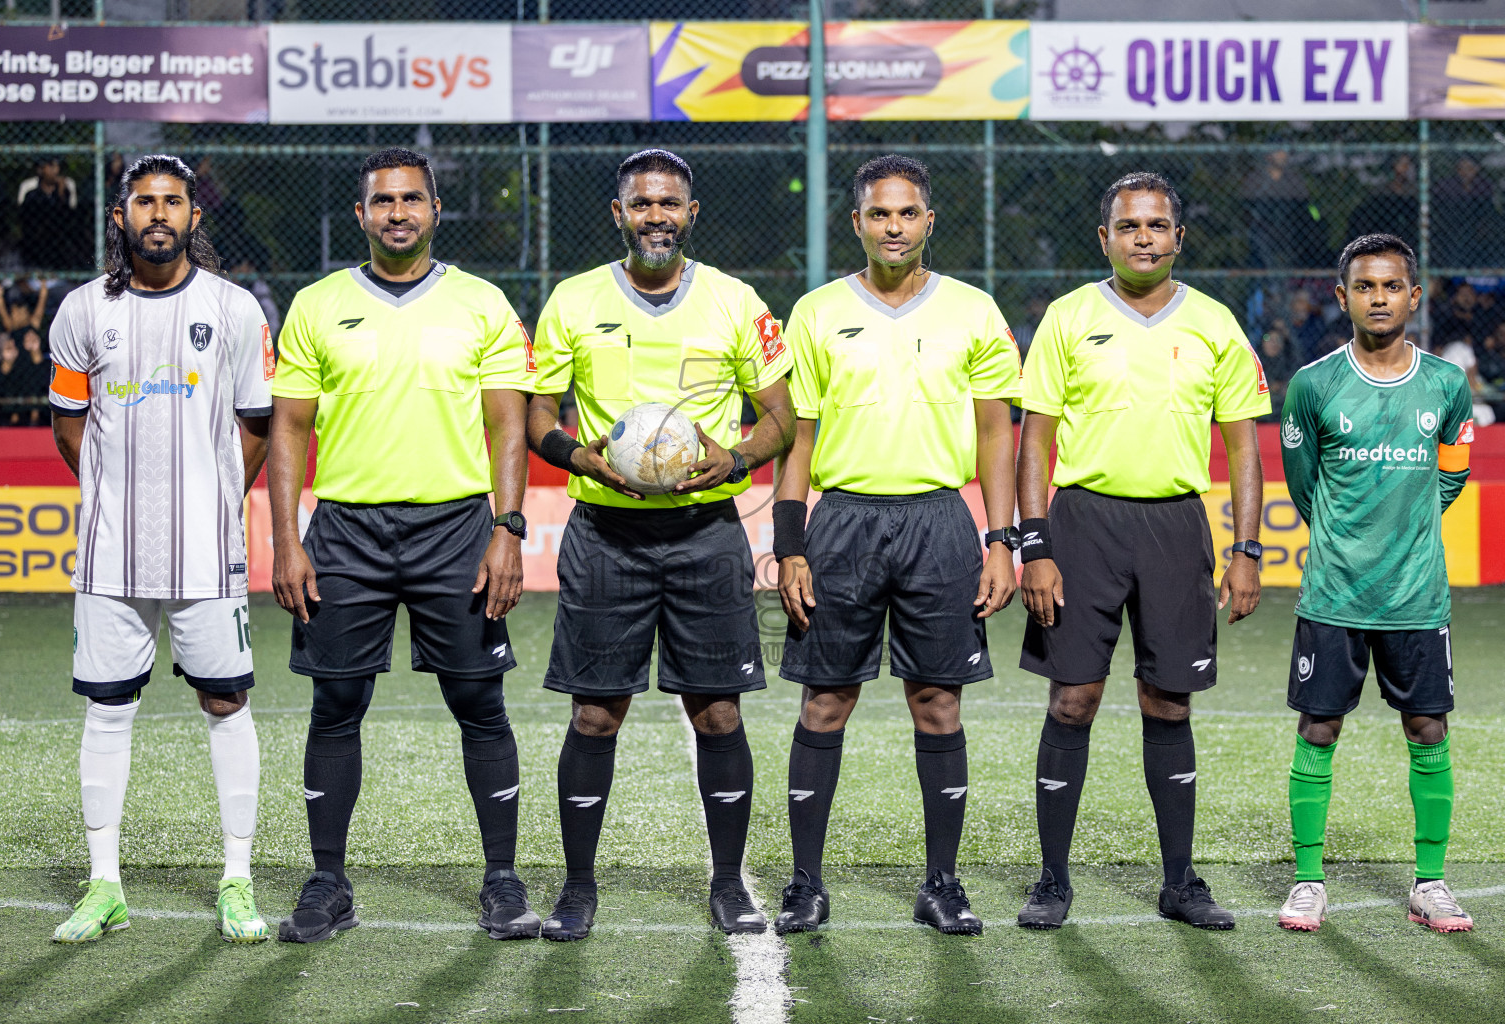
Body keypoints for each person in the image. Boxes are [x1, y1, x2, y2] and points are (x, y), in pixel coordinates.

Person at [525, 148, 795, 940]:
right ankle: (578, 888)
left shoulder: (734, 301)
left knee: (717, 714)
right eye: (641, 204)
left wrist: (737, 456)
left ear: (691, 214)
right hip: (605, 533)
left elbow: (780, 417)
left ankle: (727, 886)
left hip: (707, 534)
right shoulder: (573, 301)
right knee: (595, 717)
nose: (655, 217)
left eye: (669, 204)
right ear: (618, 214)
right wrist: (581, 456)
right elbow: (539, 417)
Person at [269, 147, 538, 943]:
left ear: (434, 210)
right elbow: (288, 428)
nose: (397, 212)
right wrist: (286, 540)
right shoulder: (317, 305)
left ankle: (501, 880)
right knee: (336, 704)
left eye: (411, 199)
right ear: (360, 215)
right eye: (382, 201)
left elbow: (507, 425)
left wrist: (508, 528)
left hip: (456, 527)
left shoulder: (482, 302)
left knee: (478, 704)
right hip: (346, 531)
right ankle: (328, 883)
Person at [770, 155, 1022, 936]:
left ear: (928, 221)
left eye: (907, 213)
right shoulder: (815, 312)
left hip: (940, 521)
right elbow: (798, 438)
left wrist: (1001, 540)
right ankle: (806, 884)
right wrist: (790, 543)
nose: (894, 227)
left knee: (938, 703)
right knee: (826, 700)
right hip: (841, 520)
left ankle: (942, 885)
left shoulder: (975, 311)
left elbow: (994, 434)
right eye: (879, 215)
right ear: (857, 223)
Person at [1014, 172, 1270, 931]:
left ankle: (1180, 883)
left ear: (1177, 237)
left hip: (1175, 526)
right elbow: (1036, 439)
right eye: (1129, 227)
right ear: (1105, 238)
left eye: (1158, 226)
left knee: (1169, 699)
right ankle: (1053, 879)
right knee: (1073, 700)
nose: (1144, 237)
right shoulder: (1067, 317)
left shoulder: (1217, 324)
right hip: (1082, 525)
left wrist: (1247, 548)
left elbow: (1244, 447)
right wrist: (1035, 544)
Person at [43, 154, 273, 944]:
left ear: (194, 216)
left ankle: (237, 878)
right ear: (121, 217)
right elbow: (69, 429)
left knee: (225, 702)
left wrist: (211, 499)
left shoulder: (235, 309)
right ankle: (104, 884)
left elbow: (254, 426)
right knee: (109, 710)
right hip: (109, 556)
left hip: (207, 553)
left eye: (173, 201)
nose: (159, 213)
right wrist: (116, 498)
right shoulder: (80, 311)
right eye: (144, 201)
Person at [1276, 234, 1476, 934]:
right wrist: (1348, 535)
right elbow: (1305, 488)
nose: (1380, 297)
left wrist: (1409, 527)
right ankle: (1307, 882)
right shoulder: (1313, 386)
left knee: (1428, 727)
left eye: (1393, 286)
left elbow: (1452, 473)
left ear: (1414, 297)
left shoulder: (1448, 386)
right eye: (1366, 287)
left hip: (1417, 596)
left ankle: (1431, 882)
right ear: (1343, 297)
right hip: (1335, 593)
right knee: (1319, 727)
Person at [19, 157, 79, 269]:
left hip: (60, 247)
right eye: (51, 166)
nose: (55, 171)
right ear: (41, 169)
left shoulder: (64, 192)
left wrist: (61, 195)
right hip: (36, 245)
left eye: (57, 167)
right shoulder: (31, 195)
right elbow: (27, 222)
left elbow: (69, 220)